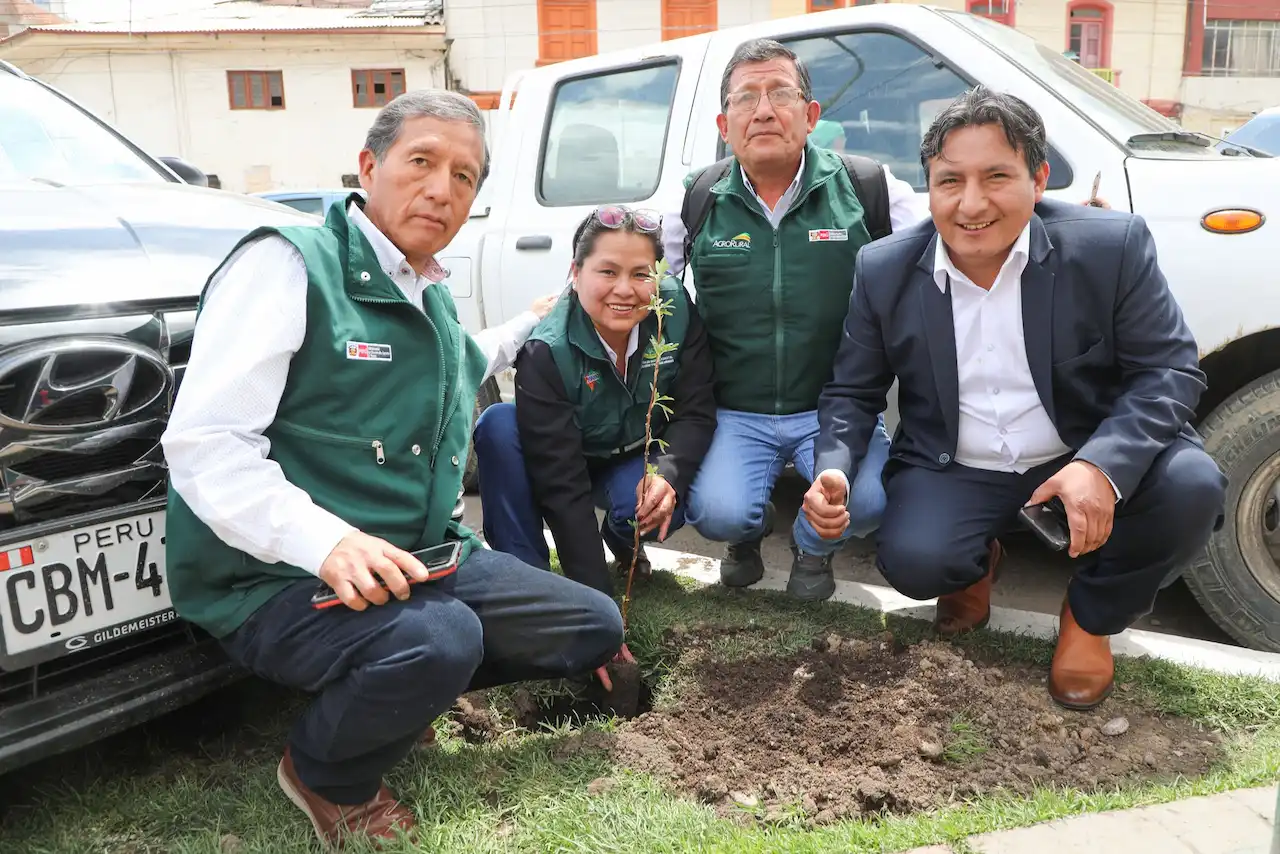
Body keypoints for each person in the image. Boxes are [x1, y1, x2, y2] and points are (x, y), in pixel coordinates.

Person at [160, 90, 624, 848]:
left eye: (465, 177)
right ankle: (325, 774)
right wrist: (325, 543)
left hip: (411, 554)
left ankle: (395, 699)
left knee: (590, 624)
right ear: (369, 166)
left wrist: (533, 319)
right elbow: (206, 444)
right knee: (441, 640)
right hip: (276, 575)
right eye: (422, 162)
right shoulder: (288, 264)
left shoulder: (426, 288)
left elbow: (462, 361)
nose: (443, 189)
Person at [804, 86, 1226, 711]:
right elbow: (852, 389)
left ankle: (1090, 616)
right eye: (950, 181)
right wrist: (833, 466)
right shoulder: (883, 268)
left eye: (996, 176)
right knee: (914, 560)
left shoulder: (1111, 247)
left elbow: (1168, 370)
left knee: (1192, 487)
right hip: (957, 465)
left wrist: (1100, 467)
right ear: (929, 185)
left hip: (1075, 450)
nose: (971, 204)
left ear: (1039, 177)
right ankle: (975, 565)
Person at [660, 38, 929, 602]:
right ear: (724, 123)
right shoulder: (699, 200)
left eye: (780, 93)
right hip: (736, 408)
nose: (762, 110)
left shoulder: (867, 189)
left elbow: (952, 238)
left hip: (833, 408)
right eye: (745, 98)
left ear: (809, 116)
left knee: (870, 503)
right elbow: (635, 275)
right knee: (716, 512)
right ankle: (746, 536)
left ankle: (813, 547)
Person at [472, 204, 716, 602]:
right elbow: (562, 488)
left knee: (658, 510)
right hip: (567, 457)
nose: (624, 289)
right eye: (607, 272)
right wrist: (596, 603)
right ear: (575, 273)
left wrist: (667, 474)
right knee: (499, 424)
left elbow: (697, 408)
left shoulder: (674, 313)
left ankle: (622, 537)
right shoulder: (546, 349)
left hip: (633, 455)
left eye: (641, 274)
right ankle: (526, 583)